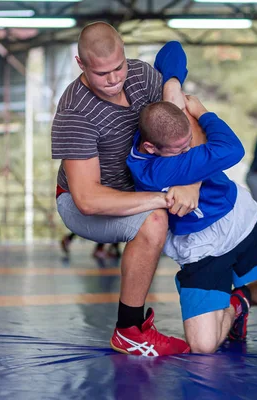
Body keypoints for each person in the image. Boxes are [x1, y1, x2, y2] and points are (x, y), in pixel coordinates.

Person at [51, 24, 197, 356]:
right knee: (156, 219)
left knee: (211, 197)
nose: (115, 78)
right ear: (81, 64)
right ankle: (129, 330)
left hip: (137, 185)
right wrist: (165, 197)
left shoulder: (142, 76)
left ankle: (232, 297)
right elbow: (88, 198)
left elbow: (173, 52)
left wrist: (173, 89)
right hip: (79, 201)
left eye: (119, 66)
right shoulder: (75, 111)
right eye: (102, 73)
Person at [127, 98, 257, 353]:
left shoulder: (161, 140)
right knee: (202, 346)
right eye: (180, 149)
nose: (189, 149)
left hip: (240, 220)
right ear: (150, 147)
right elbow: (232, 149)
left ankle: (241, 298)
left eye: (189, 141)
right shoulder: (157, 172)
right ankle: (234, 307)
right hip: (201, 248)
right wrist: (202, 113)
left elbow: (172, 56)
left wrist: (173, 84)